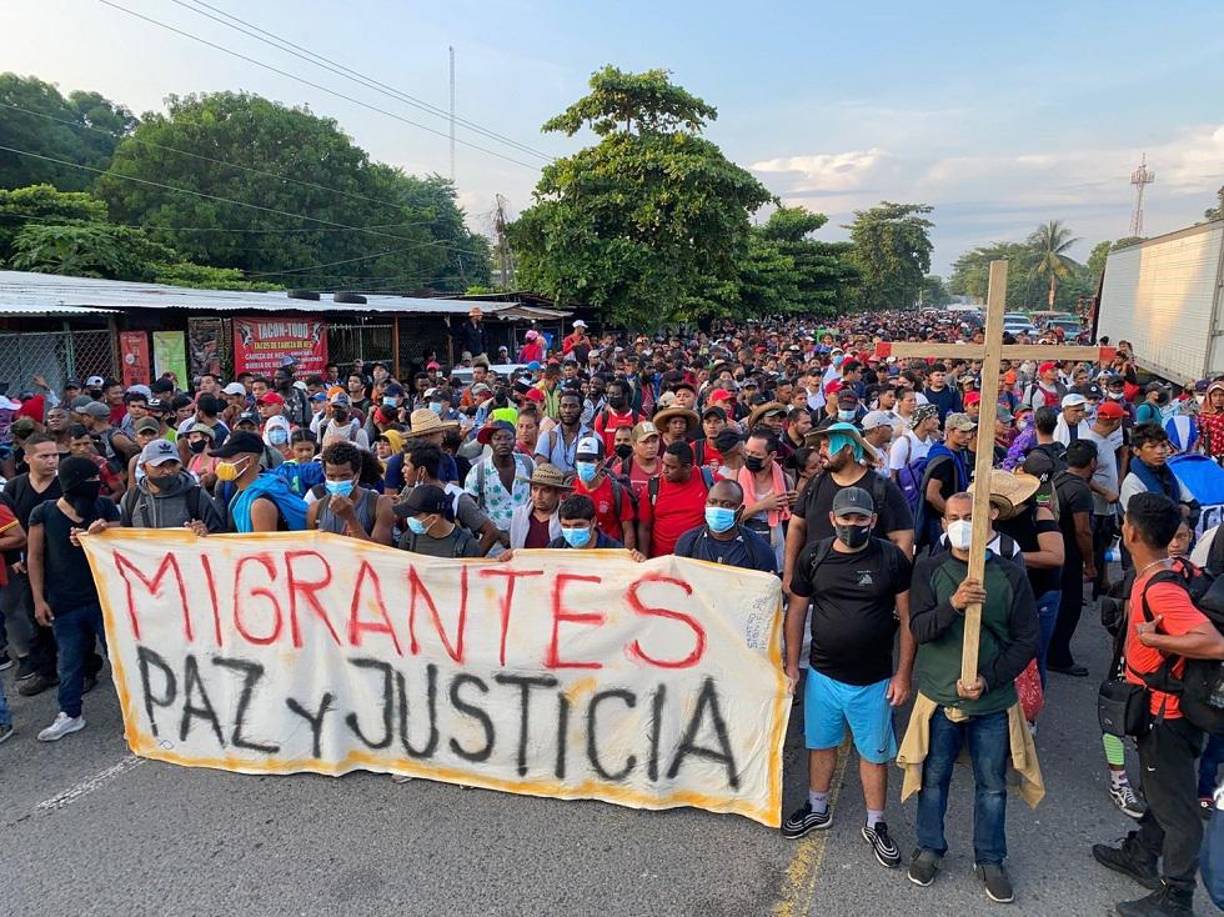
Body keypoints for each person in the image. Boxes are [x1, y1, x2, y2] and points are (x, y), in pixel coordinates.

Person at [1093, 492, 1224, 917]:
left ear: (1130, 532)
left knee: (1179, 809)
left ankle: (1176, 896)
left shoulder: (1159, 586)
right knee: (1161, 787)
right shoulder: (1162, 572)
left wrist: (1152, 640)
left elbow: (1211, 642)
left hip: (1165, 713)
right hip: (1164, 707)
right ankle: (1143, 853)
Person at [906, 492, 1040, 903]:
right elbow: (920, 629)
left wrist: (989, 679)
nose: (961, 524)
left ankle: (991, 858)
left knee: (992, 785)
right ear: (943, 524)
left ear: (988, 525)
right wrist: (953, 604)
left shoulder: (1011, 576)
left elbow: (1026, 639)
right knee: (934, 778)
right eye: (953, 517)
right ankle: (929, 847)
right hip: (941, 696)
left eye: (970, 517)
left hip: (991, 701)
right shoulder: (928, 570)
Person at [782, 486, 914, 868]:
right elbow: (796, 612)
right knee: (820, 744)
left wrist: (903, 674)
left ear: (873, 521)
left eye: (861, 519)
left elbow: (908, 620)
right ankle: (817, 807)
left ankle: (876, 823)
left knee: (873, 754)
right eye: (846, 518)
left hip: (873, 680)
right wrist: (793, 664)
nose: (853, 525)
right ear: (832, 519)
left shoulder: (891, 559)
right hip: (823, 675)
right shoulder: (815, 555)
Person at [28, 456, 121, 741]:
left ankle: (137, 712)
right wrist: (38, 600)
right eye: (89, 481)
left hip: (104, 598)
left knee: (119, 658)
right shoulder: (43, 513)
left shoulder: (103, 506)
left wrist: (102, 533)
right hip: (64, 601)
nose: (96, 485)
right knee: (69, 662)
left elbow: (123, 541)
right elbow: (35, 557)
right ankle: (70, 714)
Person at [784, 422, 913, 593]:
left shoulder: (882, 488)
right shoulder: (815, 483)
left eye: (827, 446)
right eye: (821, 446)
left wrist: (899, 590)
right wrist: (789, 574)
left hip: (866, 588)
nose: (821, 452)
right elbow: (796, 527)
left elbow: (903, 538)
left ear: (848, 449)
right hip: (817, 587)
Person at [1, 433, 64, 697]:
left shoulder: (64, 484)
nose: (51, 461)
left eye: (55, 455)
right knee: (36, 615)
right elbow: (11, 529)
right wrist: (15, 560)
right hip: (31, 565)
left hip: (67, 562)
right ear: (27, 459)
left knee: (74, 617)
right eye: (44, 456)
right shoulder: (14, 488)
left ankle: (85, 669)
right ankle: (45, 670)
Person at [1046, 440, 1097, 677]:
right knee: (1070, 606)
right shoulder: (1080, 490)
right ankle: (1059, 656)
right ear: (1093, 462)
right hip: (1069, 555)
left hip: (1051, 549)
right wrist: (1090, 562)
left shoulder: (1055, 479)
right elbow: (1083, 531)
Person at [401, 441, 499, 555]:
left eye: (407, 465)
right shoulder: (410, 492)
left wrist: (468, 562)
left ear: (421, 471)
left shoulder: (457, 498)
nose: (403, 470)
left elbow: (491, 532)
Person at [211, 431, 308, 532]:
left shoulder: (260, 505)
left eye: (228, 459)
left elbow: (264, 547)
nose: (222, 464)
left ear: (248, 461)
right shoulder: (242, 493)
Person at [673, 479, 777, 572]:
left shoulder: (758, 549)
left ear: (740, 511)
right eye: (712, 502)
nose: (718, 508)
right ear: (705, 505)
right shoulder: (689, 542)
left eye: (726, 504)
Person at [120, 439, 224, 532]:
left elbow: (220, 537)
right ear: (143, 468)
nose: (168, 471)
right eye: (160, 465)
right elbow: (123, 539)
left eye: (173, 464)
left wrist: (206, 532)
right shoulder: (131, 498)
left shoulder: (197, 496)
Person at [305, 441, 394, 544]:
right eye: (331, 476)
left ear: (357, 473)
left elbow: (382, 552)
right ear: (324, 474)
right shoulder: (315, 509)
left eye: (344, 476)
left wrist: (351, 519)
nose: (337, 482)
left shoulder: (381, 505)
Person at [637, 441, 714, 558]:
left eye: (671, 467)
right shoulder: (653, 487)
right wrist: (644, 558)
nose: (664, 470)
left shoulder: (708, 481)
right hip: (661, 560)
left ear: (687, 468)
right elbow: (644, 528)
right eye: (663, 464)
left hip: (696, 560)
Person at [465, 420, 533, 541]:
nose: (503, 443)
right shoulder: (477, 472)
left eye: (508, 438)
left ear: (515, 440)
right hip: (493, 543)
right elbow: (470, 511)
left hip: (526, 535)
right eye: (497, 438)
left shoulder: (528, 464)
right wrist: (498, 535)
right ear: (490, 442)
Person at [916, 412, 975, 550]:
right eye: (963, 432)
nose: (968, 436)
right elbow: (932, 494)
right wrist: (952, 515)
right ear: (949, 431)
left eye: (970, 432)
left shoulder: (956, 454)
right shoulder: (944, 460)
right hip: (938, 521)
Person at [738, 429, 793, 568]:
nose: (750, 457)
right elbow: (731, 519)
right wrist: (762, 505)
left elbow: (790, 518)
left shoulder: (785, 480)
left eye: (757, 455)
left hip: (776, 547)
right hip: (745, 546)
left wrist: (795, 503)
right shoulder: (736, 477)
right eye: (748, 452)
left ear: (772, 455)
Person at [1120, 423, 1196, 522]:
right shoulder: (1132, 482)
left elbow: (1193, 505)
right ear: (1137, 451)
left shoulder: (1171, 476)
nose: (1160, 451)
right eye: (1152, 447)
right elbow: (1142, 520)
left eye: (1163, 446)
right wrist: (1178, 511)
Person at [571, 435, 636, 550]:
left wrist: (626, 559)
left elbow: (628, 530)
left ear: (601, 463)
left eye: (590, 460)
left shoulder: (616, 490)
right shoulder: (569, 487)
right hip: (577, 553)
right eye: (580, 460)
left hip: (609, 553)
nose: (584, 464)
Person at [395, 484, 482, 557]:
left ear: (433, 519)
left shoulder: (466, 546)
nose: (409, 519)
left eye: (415, 516)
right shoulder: (409, 539)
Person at [508, 463, 571, 549]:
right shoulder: (519, 514)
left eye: (545, 490)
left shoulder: (567, 516)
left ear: (558, 493)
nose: (538, 496)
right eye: (535, 489)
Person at [534, 390, 590, 474]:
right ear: (559, 408)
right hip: (554, 486)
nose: (567, 410)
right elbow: (541, 470)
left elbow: (596, 468)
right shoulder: (547, 436)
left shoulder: (592, 437)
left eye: (573, 406)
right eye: (564, 406)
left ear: (582, 409)